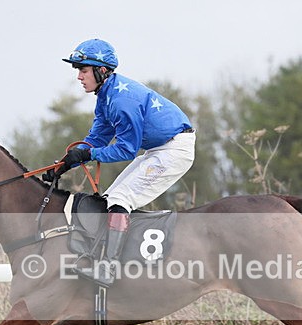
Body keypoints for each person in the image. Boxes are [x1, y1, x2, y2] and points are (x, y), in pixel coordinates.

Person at [51, 38, 195, 286]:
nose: (79, 77)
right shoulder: (106, 97)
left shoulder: (120, 101)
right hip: (158, 148)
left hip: (173, 149)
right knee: (111, 198)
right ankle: (109, 258)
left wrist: (89, 155)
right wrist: (65, 164)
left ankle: (109, 269)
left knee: (121, 199)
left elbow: (126, 150)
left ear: (101, 70)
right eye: (78, 71)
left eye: (83, 70)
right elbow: (97, 139)